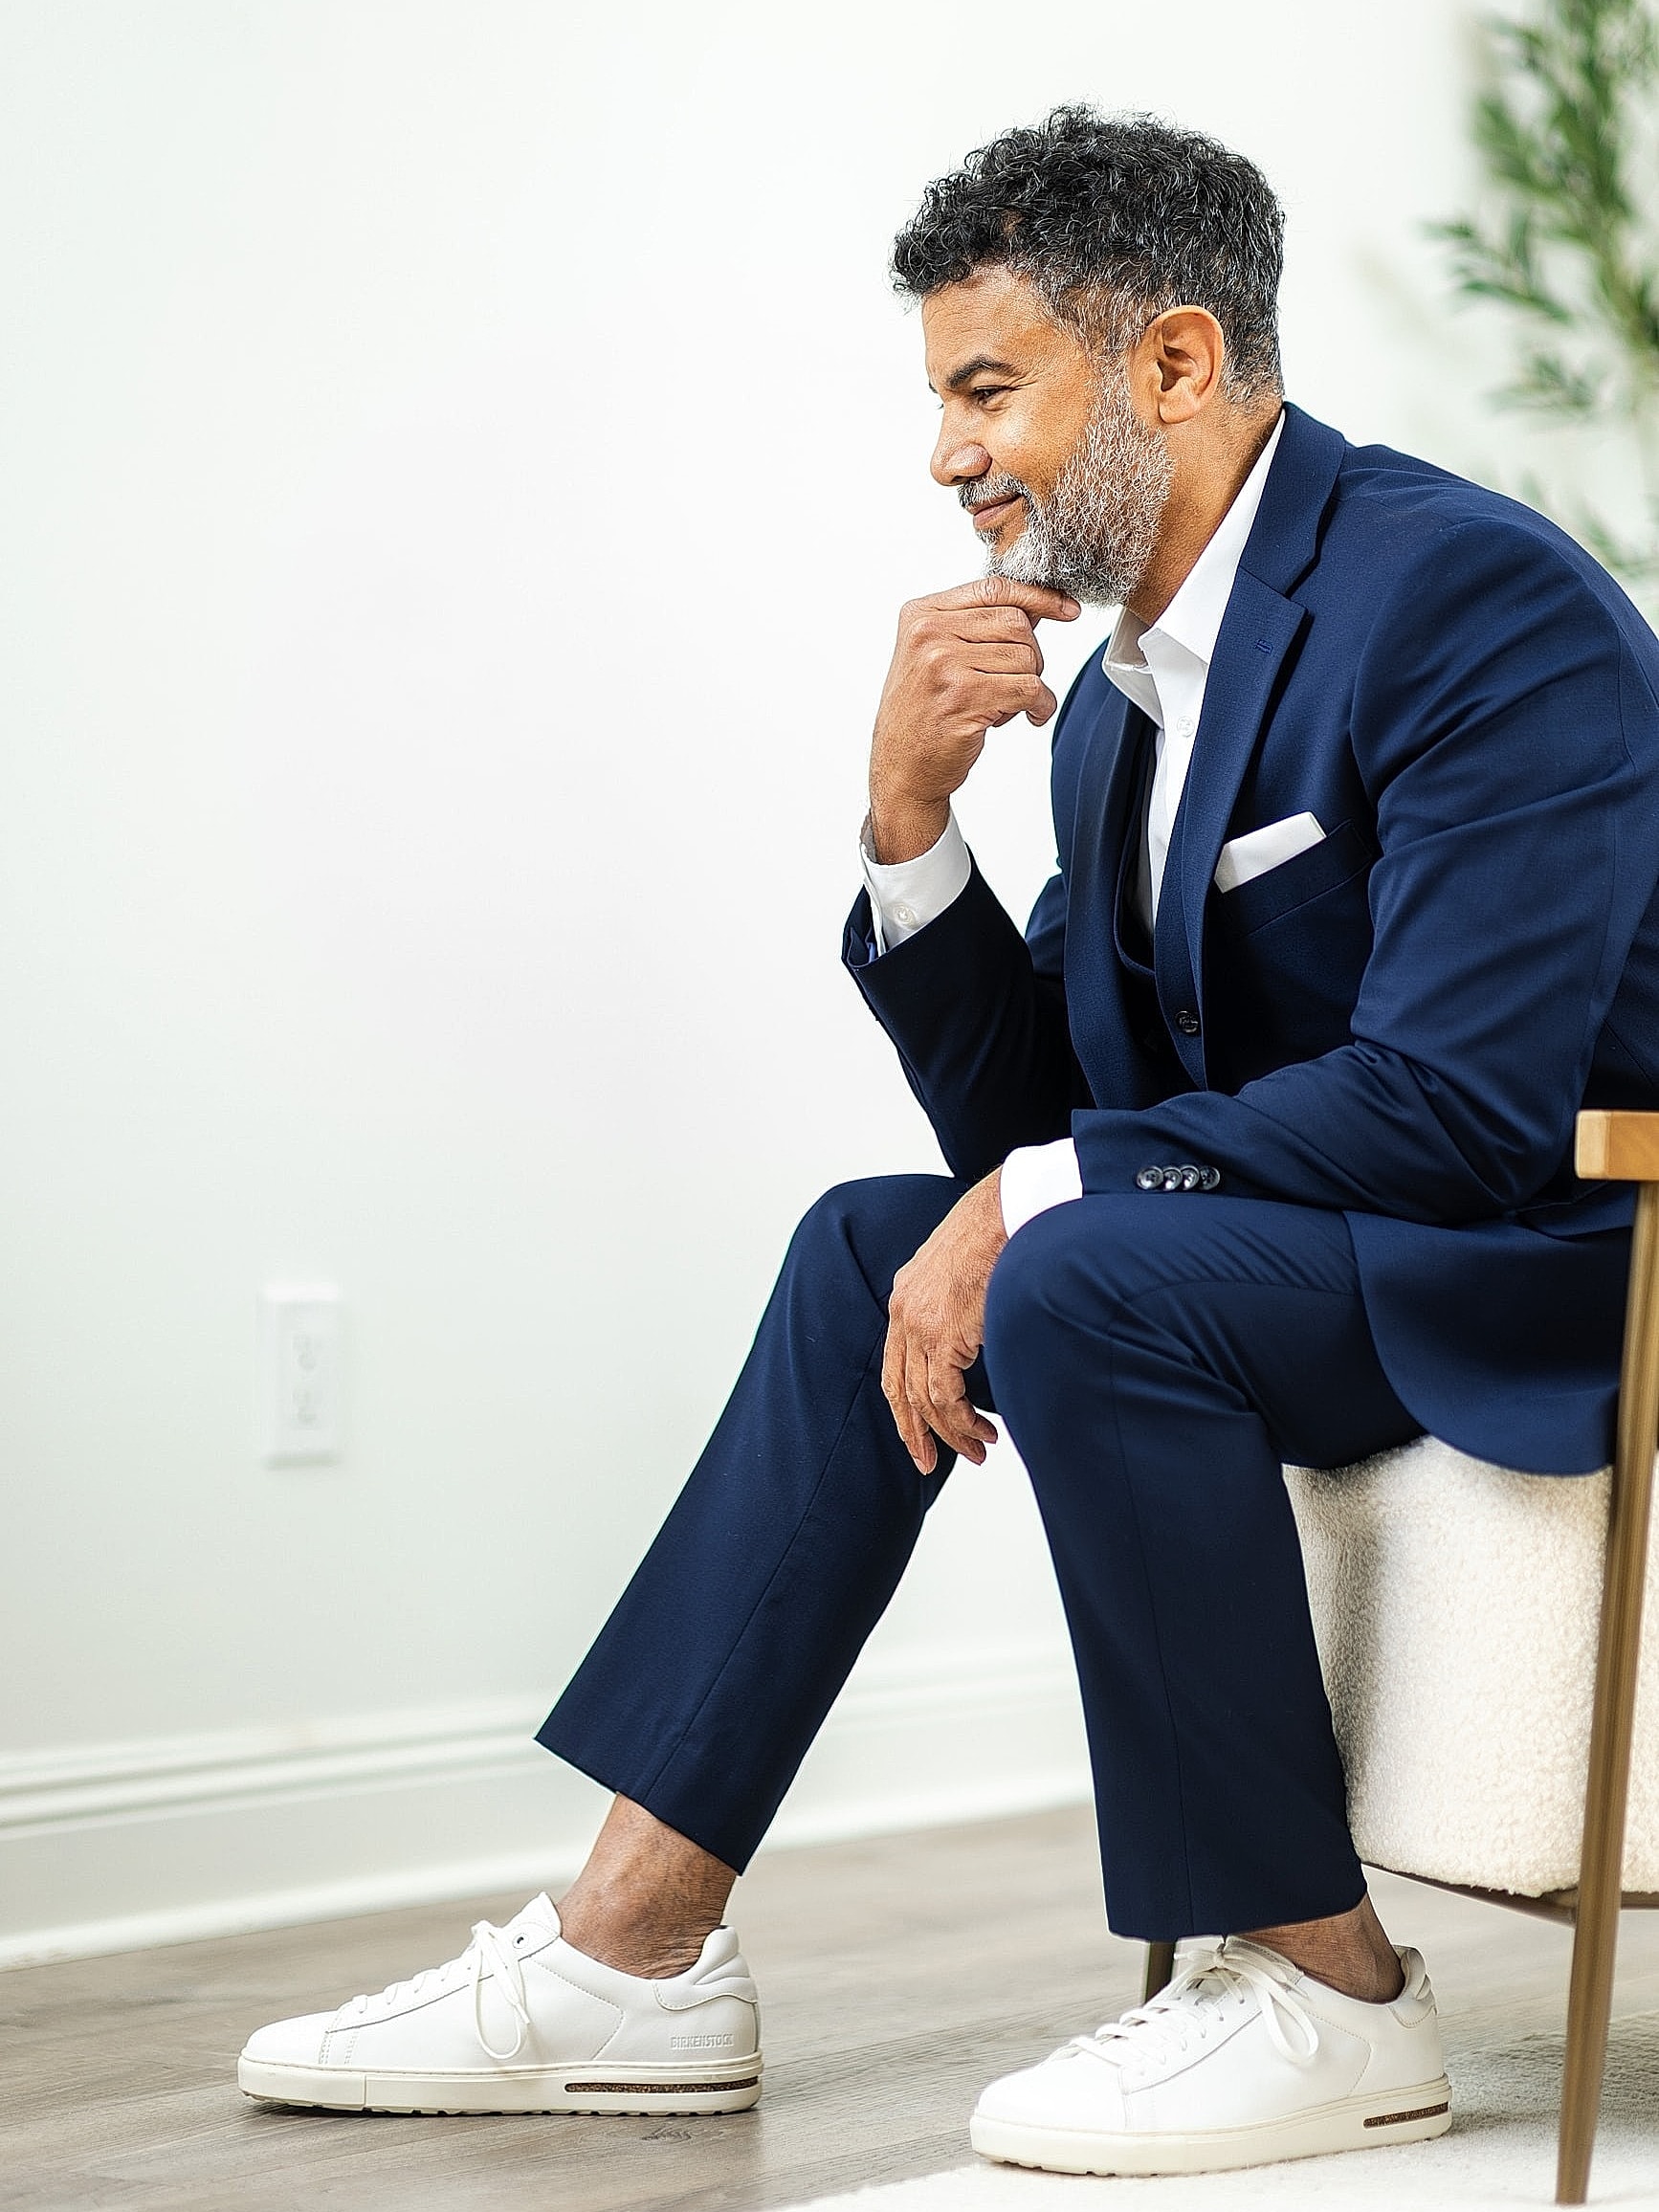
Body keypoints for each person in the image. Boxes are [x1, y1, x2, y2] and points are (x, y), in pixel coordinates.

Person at [237, 107, 1659, 2178]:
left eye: (989, 387)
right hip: (1317, 1250)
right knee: (860, 1248)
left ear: (1174, 364)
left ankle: (1329, 1985)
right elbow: (1041, 1132)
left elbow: (1453, 1109)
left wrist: (1049, 1194)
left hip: (1537, 1254)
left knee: (1062, 1245)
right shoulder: (1113, 703)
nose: (947, 454)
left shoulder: (1471, 602)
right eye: (941, 399)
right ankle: (633, 1956)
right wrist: (911, 832)